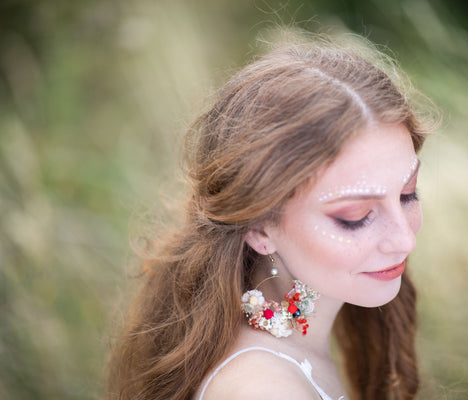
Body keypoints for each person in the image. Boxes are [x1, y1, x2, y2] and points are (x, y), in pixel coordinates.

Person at [106, 33, 433, 400]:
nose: (405, 239)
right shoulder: (262, 391)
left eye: (408, 194)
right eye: (354, 217)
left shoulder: (307, 337)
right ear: (260, 226)